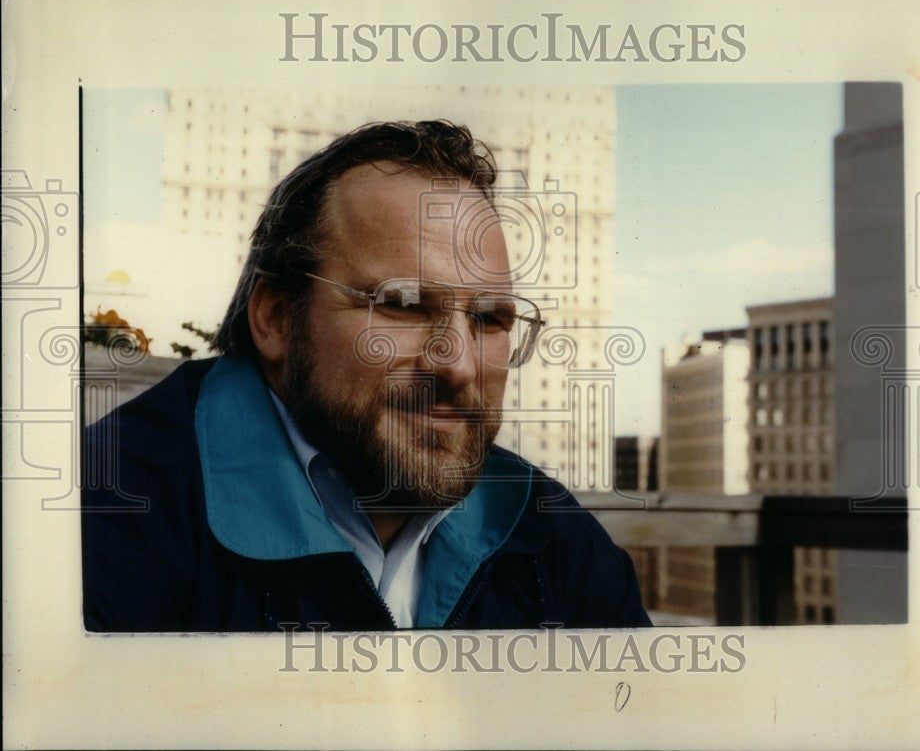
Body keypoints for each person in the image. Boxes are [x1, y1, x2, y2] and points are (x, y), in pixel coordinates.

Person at [82, 120, 651, 632]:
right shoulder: (103, 516)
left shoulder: (555, 539)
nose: (457, 364)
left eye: (489, 319)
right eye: (403, 305)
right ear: (276, 318)